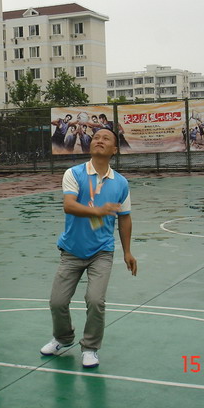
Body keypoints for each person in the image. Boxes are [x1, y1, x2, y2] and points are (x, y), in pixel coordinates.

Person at [40, 128, 137, 368]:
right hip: (72, 250)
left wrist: (127, 251)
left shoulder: (121, 183)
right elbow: (69, 206)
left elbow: (124, 218)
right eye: (96, 138)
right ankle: (63, 338)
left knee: (95, 300)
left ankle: (91, 347)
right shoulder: (74, 173)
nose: (99, 140)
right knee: (57, 302)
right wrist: (98, 211)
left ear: (114, 150)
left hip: (101, 251)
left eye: (106, 138)